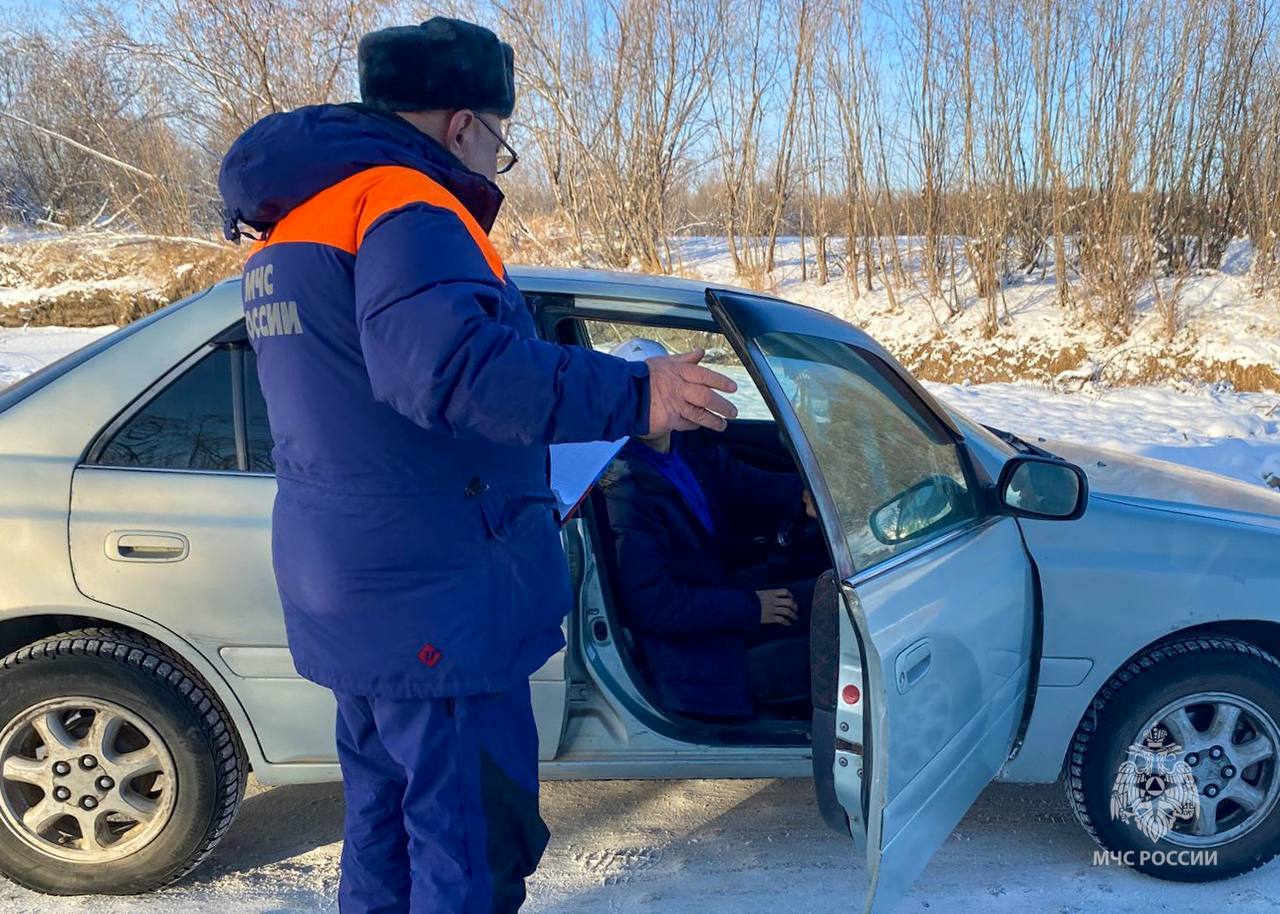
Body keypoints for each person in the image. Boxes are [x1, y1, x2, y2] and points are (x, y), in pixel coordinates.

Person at [217, 18, 738, 914]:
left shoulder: (298, 221)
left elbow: (370, 401)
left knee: (386, 828)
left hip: (358, 582)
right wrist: (635, 395)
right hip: (436, 599)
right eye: (500, 135)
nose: (498, 157)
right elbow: (446, 369)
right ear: (463, 124)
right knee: (470, 849)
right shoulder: (403, 201)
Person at [598, 339, 823, 722]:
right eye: (638, 393)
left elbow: (742, 482)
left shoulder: (685, 446)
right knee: (829, 659)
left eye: (658, 389)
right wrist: (753, 609)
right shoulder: (622, 488)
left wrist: (810, 493)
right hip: (690, 661)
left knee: (826, 599)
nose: (652, 403)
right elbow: (655, 606)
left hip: (716, 600)